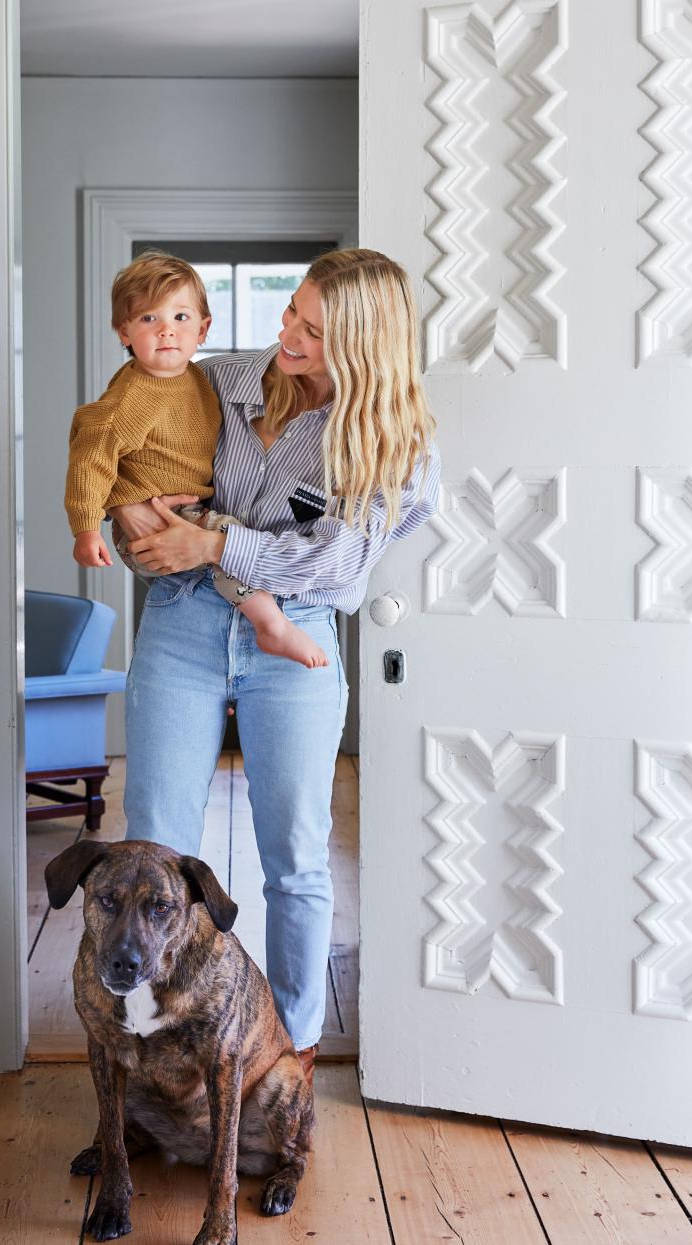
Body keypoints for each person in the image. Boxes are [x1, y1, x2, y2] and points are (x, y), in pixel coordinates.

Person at [111, 248, 441, 1085]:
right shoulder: (213, 382)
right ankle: (157, 1048)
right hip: (182, 622)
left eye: (313, 330)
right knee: (155, 849)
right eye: (291, 311)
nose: (286, 334)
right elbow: (137, 480)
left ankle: (285, 1056)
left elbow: (337, 569)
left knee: (295, 854)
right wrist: (142, 530)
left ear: (365, 347)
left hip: (297, 640)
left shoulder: (395, 442)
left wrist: (214, 542)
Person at [65, 250, 329, 668]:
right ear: (124, 333)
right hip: (158, 521)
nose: (167, 331)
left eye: (181, 318)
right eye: (149, 319)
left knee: (221, 538)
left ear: (204, 329)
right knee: (230, 535)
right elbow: (90, 452)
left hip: (187, 513)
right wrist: (88, 526)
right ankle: (271, 625)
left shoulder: (201, 378)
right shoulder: (133, 395)